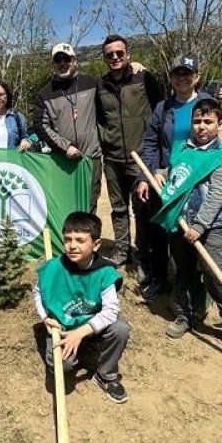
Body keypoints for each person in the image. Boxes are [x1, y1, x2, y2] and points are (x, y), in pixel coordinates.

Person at [151, 99, 222, 353]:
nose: (202, 127)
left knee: (216, 276)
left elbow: (216, 196)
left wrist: (201, 226)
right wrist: (161, 173)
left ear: (218, 123)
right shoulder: (182, 148)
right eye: (197, 121)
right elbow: (177, 174)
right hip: (180, 223)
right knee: (182, 272)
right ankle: (184, 316)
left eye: (208, 122)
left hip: (209, 227)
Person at [135, 55, 222, 301]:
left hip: (196, 180)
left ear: (197, 77)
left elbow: (219, 142)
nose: (182, 78)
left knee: (193, 232)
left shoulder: (208, 104)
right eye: (177, 74)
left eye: (187, 73)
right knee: (160, 232)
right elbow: (150, 144)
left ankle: (194, 286)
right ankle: (161, 278)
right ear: (171, 78)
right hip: (165, 180)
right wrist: (146, 176)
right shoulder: (163, 108)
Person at [33, 211, 130, 403]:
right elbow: (38, 292)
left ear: (96, 245)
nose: (72, 245)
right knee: (64, 366)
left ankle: (105, 375)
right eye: (68, 239)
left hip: (90, 325)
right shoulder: (53, 268)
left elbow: (111, 311)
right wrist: (45, 317)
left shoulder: (104, 271)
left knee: (120, 329)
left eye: (80, 240)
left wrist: (81, 333)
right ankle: (77, 353)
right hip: (63, 328)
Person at [96, 34, 165, 268]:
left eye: (119, 53)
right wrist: (106, 140)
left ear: (128, 54)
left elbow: (160, 111)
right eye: (110, 54)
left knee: (142, 208)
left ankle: (143, 254)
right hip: (113, 157)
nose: (115, 57)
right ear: (104, 58)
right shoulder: (101, 85)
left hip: (141, 157)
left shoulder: (143, 78)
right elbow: (98, 118)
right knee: (118, 208)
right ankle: (122, 250)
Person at [34, 43, 103, 208]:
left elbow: (115, 90)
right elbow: (40, 125)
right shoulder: (45, 94)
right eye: (58, 60)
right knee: (64, 203)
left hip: (91, 157)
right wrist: (65, 148)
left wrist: (135, 67)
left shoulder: (93, 83)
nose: (62, 63)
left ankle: (89, 235)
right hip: (61, 159)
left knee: (90, 202)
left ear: (75, 60)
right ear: (53, 64)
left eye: (66, 58)